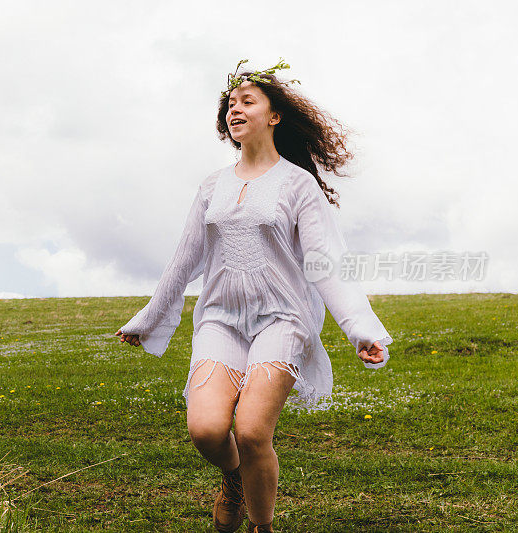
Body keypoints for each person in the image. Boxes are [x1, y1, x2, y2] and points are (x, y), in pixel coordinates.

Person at [114, 58, 393, 533]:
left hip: (282, 318)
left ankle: (262, 529)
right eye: (230, 104)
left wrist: (360, 331)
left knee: (251, 430)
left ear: (274, 115)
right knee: (205, 431)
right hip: (221, 318)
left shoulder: (298, 185)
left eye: (247, 102)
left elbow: (327, 264)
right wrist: (148, 318)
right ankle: (235, 478)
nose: (234, 110)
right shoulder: (212, 187)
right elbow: (183, 260)